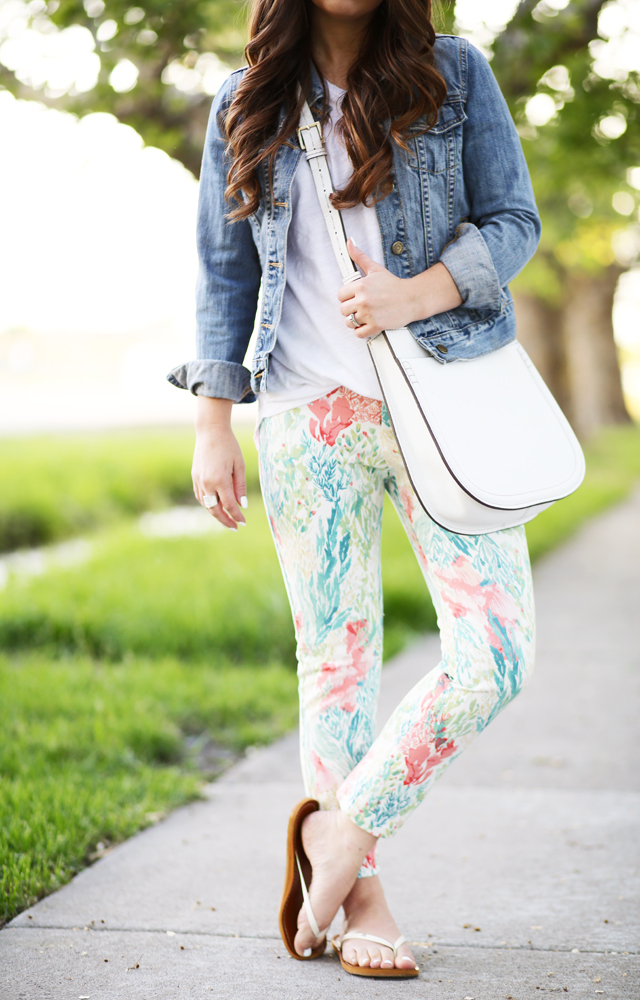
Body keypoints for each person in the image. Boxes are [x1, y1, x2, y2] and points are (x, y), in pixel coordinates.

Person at [168, 0, 540, 979]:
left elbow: (513, 220)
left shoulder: (450, 73)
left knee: (495, 653)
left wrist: (418, 292)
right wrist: (214, 420)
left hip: (443, 408)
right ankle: (363, 892)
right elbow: (220, 268)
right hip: (304, 417)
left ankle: (335, 835)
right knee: (335, 667)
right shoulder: (245, 100)